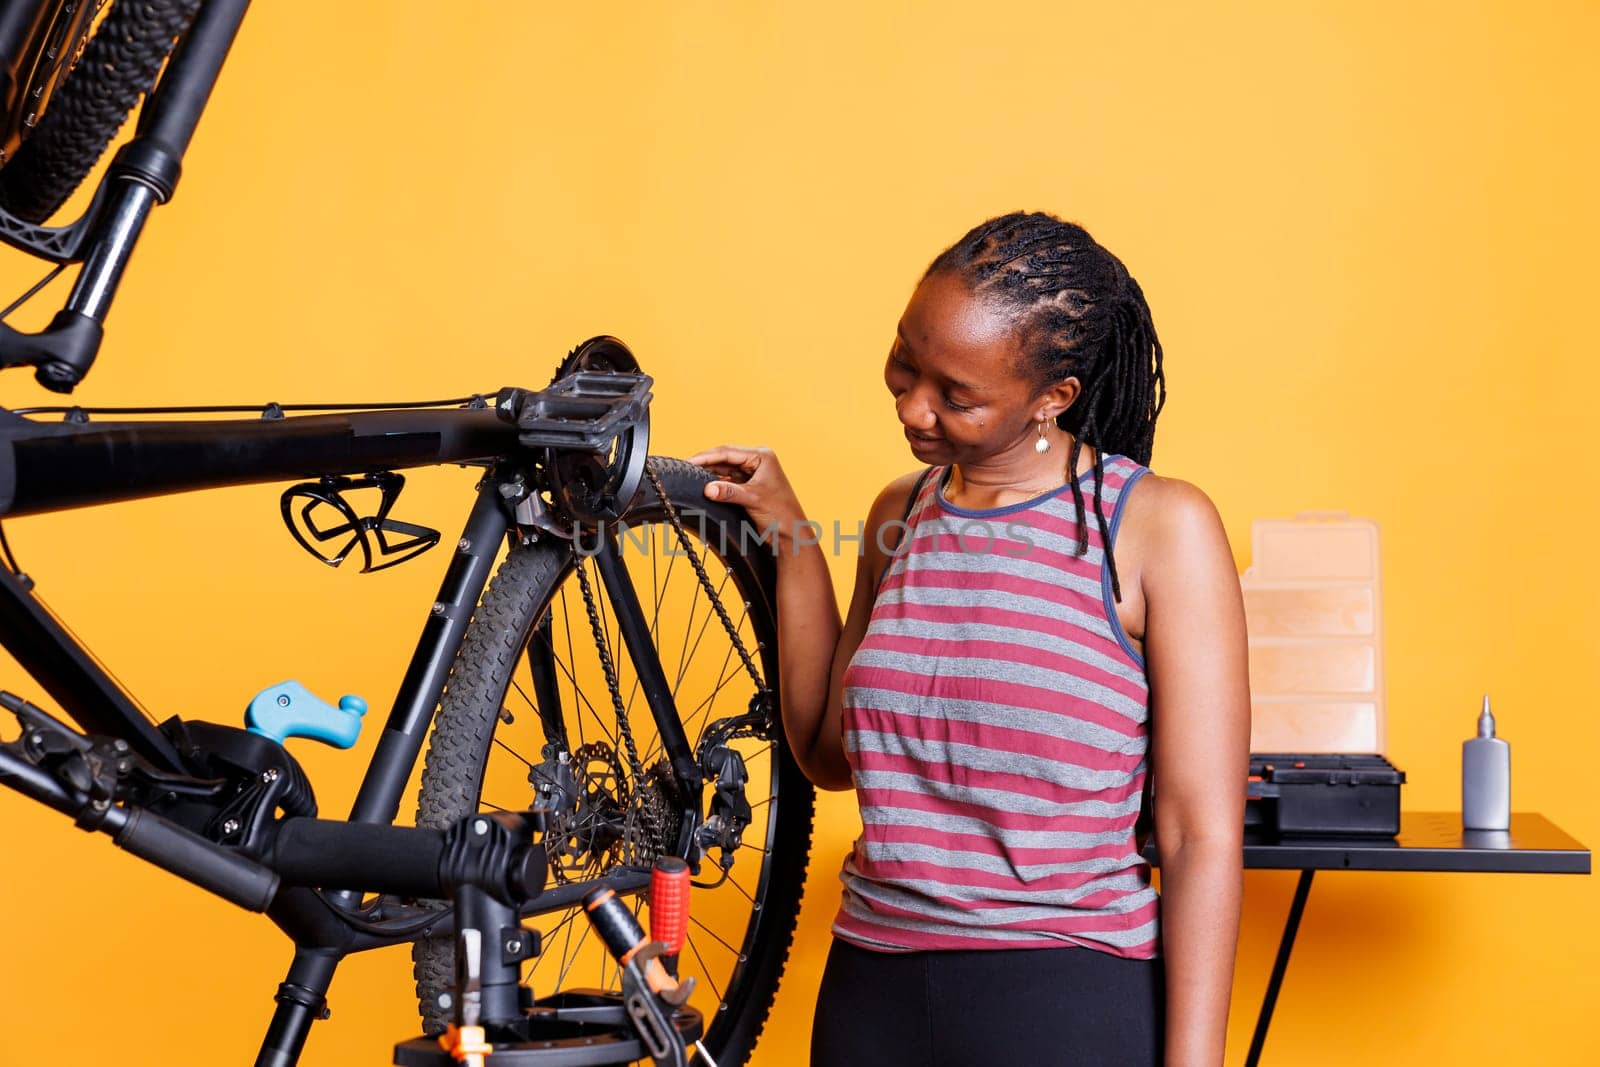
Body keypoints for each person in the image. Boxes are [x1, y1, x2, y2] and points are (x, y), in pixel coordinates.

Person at [688, 211, 1248, 1066]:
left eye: (957, 395)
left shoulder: (1158, 528)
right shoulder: (901, 512)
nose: (915, 405)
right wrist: (791, 535)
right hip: (870, 994)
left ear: (1052, 398)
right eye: (906, 361)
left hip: (1061, 1001)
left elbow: (1197, 834)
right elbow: (825, 752)